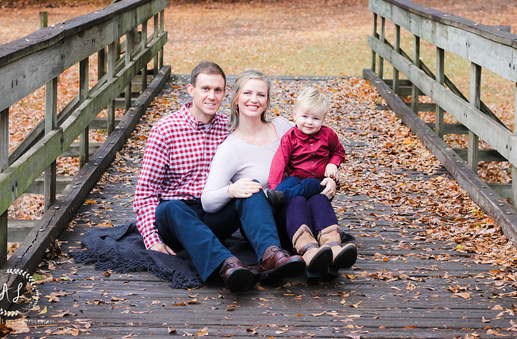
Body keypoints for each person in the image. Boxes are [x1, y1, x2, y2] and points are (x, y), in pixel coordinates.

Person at [133, 62, 303, 293]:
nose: (212, 96)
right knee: (171, 208)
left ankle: (270, 255)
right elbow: (145, 192)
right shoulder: (165, 130)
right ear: (191, 90)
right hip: (176, 217)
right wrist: (152, 239)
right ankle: (226, 265)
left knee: (249, 187)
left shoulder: (228, 126)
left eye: (218, 90)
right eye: (205, 89)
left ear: (225, 93)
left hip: (214, 211)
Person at [201, 70, 331, 281]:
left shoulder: (283, 127)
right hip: (267, 222)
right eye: (247, 93)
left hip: (299, 210)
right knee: (253, 188)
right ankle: (272, 256)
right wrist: (231, 190)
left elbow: (318, 153)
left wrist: (331, 179)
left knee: (304, 196)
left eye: (261, 95)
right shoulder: (230, 148)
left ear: (268, 101)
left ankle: (325, 252)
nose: (254, 99)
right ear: (236, 99)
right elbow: (207, 202)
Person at [267, 87, 357, 278]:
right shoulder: (290, 138)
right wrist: (275, 190)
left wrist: (333, 164)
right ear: (295, 115)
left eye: (316, 118)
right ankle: (308, 251)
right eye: (305, 116)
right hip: (297, 181)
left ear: (323, 119)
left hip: (318, 184)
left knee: (321, 200)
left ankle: (333, 248)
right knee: (297, 200)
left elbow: (338, 151)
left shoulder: (328, 135)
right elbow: (279, 163)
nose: (309, 122)